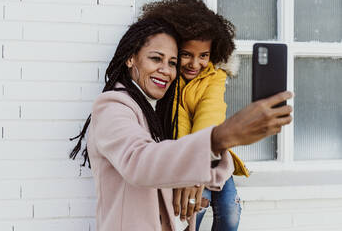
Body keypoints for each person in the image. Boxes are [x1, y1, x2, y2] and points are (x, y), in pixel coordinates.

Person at [70, 17, 293, 231]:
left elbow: (194, 171)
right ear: (131, 58)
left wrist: (199, 181)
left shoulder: (157, 109)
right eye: (156, 59)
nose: (166, 70)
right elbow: (139, 162)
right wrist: (220, 136)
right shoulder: (112, 106)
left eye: (173, 63)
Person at [139, 0, 247, 230]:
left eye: (203, 56)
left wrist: (198, 165)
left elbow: (210, 115)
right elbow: (180, 125)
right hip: (184, 158)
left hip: (213, 155)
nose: (194, 64)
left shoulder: (214, 77)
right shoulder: (168, 81)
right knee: (190, 212)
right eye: (187, 54)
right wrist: (190, 171)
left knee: (230, 213)